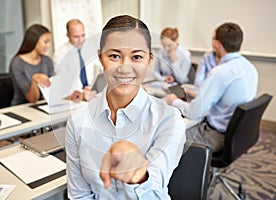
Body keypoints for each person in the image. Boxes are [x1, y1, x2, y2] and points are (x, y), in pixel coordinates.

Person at [65, 15, 186, 199]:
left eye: (137, 57)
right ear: (100, 57)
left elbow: (154, 192)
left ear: (149, 59)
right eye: (114, 56)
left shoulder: (169, 120)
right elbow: (79, 195)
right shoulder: (78, 120)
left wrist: (138, 176)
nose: (124, 68)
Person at [165, 22, 258, 153]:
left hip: (216, 136)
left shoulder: (220, 72)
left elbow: (194, 112)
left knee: (168, 135)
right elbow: (228, 97)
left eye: (213, 38)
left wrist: (174, 101)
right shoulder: (250, 68)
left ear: (218, 44)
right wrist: (198, 94)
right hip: (239, 135)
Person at [53, 19, 101, 101]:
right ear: (68, 35)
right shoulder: (60, 55)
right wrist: (82, 93)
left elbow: (102, 69)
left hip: (92, 94)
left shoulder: (91, 48)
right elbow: (62, 85)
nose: (81, 40)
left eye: (83, 35)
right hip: (73, 98)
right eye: (76, 37)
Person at [10, 24, 54, 105]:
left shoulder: (46, 60)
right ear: (34, 40)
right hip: (22, 107)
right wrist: (34, 81)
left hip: (42, 105)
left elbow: (53, 88)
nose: (48, 46)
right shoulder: (17, 63)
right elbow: (32, 99)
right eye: (45, 42)